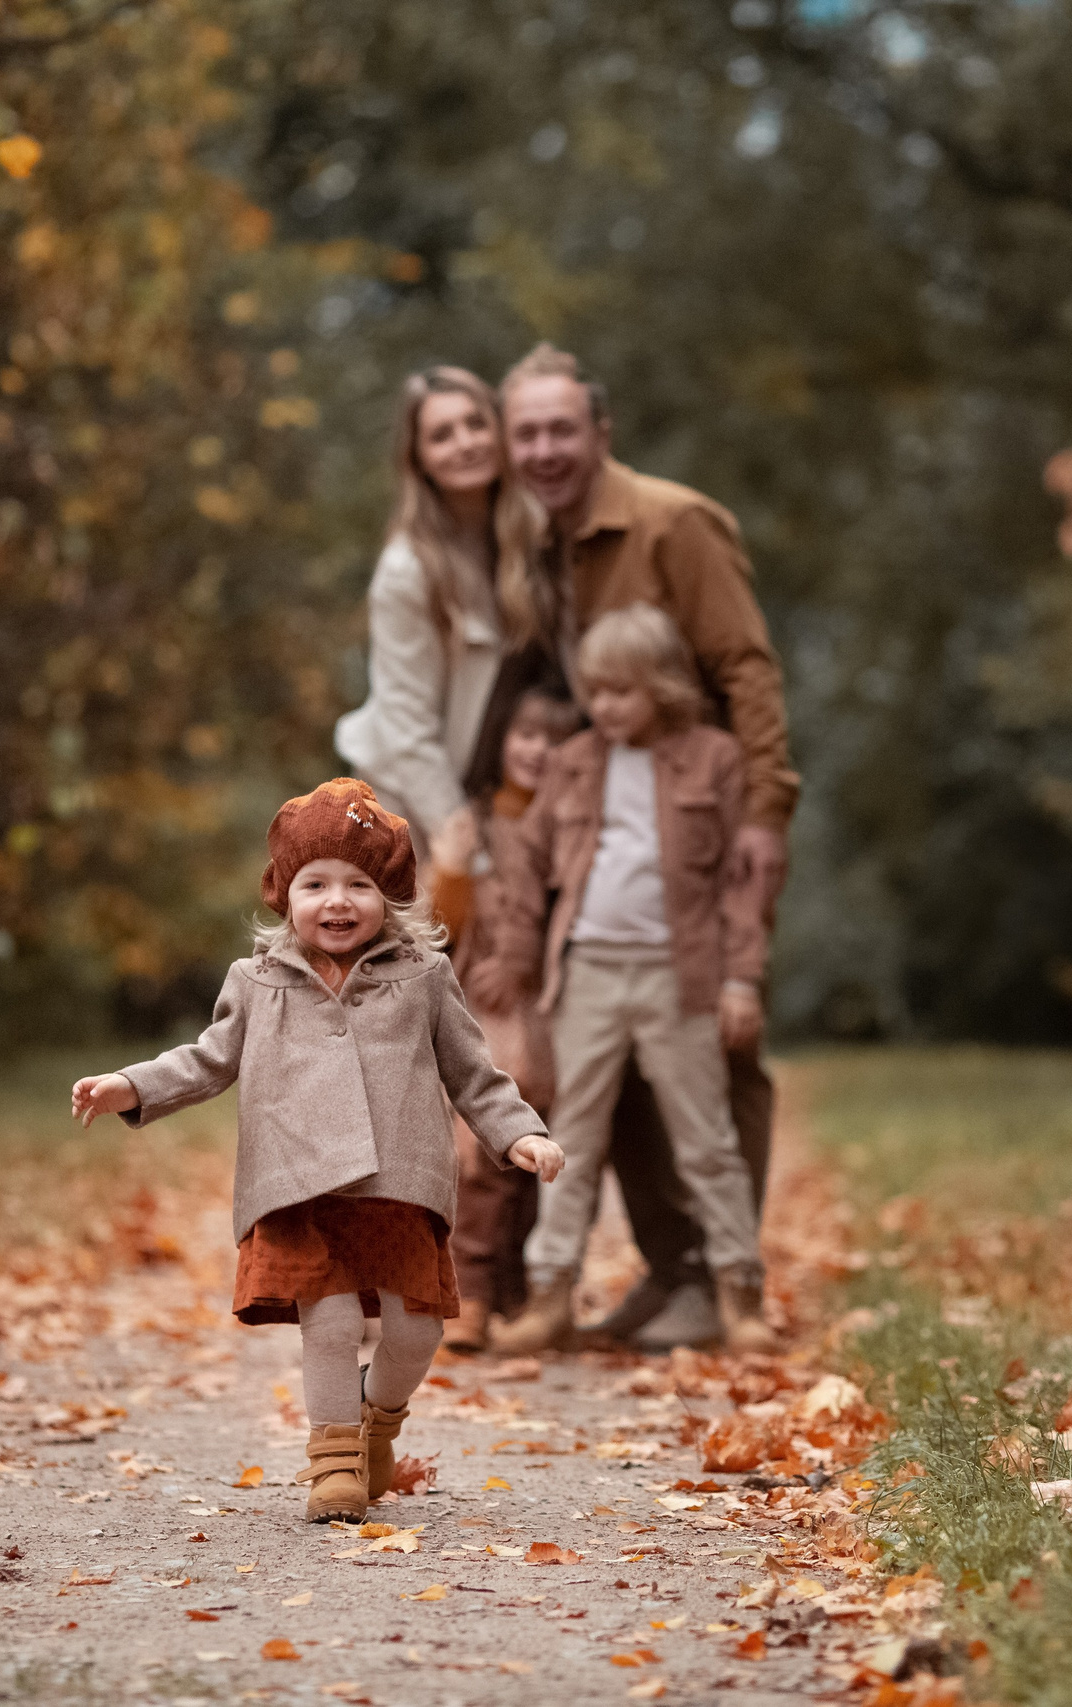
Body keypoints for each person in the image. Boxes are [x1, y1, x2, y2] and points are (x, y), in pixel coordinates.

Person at [68, 779, 565, 1522]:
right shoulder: (257, 982)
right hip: (301, 1186)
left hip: (400, 1184)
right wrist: (130, 1086)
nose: (337, 901)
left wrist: (519, 1130)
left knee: (415, 1328)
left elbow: (474, 1071)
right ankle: (333, 1464)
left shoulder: (425, 977)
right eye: (316, 883)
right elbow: (207, 1059)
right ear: (284, 894)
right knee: (328, 1322)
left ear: (389, 897)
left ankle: (377, 1420)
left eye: (359, 884)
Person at [490, 344, 796, 1344]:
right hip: (606, 858)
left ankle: (720, 1274)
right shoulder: (542, 543)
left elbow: (746, 672)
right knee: (602, 1091)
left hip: (700, 840)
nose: (543, 448)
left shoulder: (673, 524)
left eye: (560, 429)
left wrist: (763, 814)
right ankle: (672, 1271)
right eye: (525, 432)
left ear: (598, 432)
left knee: (717, 1070)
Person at [482, 605, 775, 1356]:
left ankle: (740, 1295)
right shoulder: (578, 760)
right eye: (596, 690)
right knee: (571, 1134)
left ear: (663, 686)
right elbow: (528, 862)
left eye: (622, 691)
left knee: (705, 1138)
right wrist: (515, 957)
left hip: (682, 978)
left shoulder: (713, 758)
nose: (604, 706)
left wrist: (742, 980)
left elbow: (741, 887)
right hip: (588, 974)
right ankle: (550, 1295)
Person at [333, 367, 549, 859]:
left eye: (476, 423)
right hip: (414, 804)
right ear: (420, 461)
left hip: (498, 793)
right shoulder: (407, 571)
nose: (466, 443)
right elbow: (408, 733)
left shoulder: (530, 535)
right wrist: (465, 851)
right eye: (441, 435)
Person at [432, 686, 583, 1353]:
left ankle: (515, 1288)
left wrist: (526, 959)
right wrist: (455, 872)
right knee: (488, 1144)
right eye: (524, 734)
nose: (537, 750)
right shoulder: (475, 821)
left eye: (553, 739)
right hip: (488, 1005)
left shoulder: (573, 823)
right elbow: (440, 925)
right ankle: (470, 1291)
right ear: (498, 740)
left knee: (542, 1152)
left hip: (550, 1002)